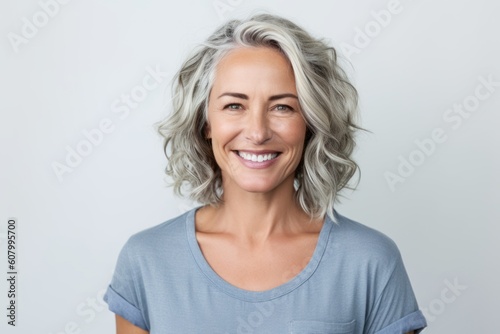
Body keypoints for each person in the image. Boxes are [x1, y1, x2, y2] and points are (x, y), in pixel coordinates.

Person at [103, 13, 427, 334]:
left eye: (282, 107)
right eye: (234, 106)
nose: (257, 132)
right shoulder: (147, 261)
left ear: (310, 124)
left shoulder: (370, 262)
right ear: (206, 124)